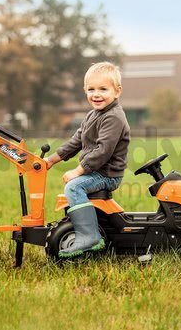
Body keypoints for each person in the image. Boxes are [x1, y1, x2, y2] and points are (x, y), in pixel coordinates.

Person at [44, 62, 130, 258]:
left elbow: (103, 151)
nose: (96, 94)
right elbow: (76, 141)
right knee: (74, 185)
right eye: (91, 89)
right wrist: (52, 160)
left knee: (74, 187)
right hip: (96, 171)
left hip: (107, 175)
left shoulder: (114, 117)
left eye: (103, 89)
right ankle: (87, 227)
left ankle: (89, 235)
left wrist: (79, 170)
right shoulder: (93, 115)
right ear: (85, 91)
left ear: (117, 92)